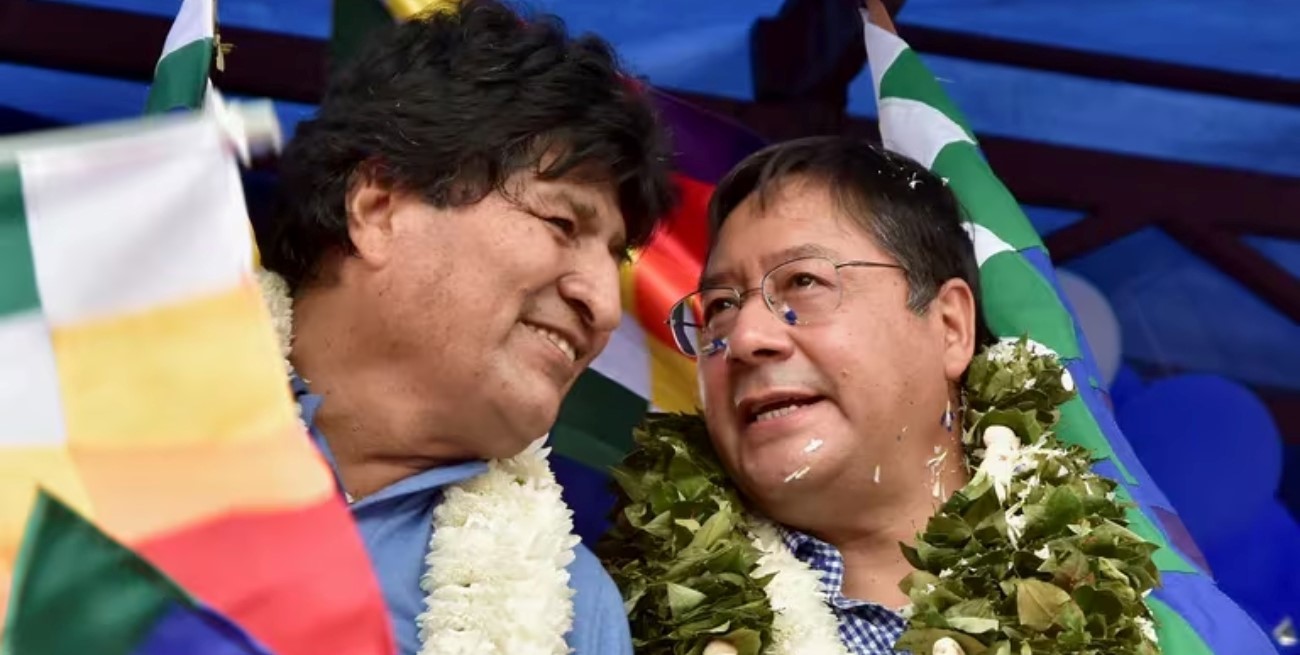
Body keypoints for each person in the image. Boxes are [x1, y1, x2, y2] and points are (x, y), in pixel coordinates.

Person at [256, 1, 675, 653]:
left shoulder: (573, 612)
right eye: (562, 223)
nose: (603, 305)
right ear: (378, 209)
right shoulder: (123, 407)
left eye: (614, 259)